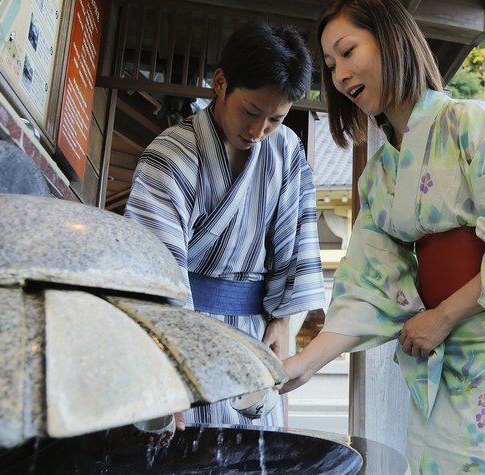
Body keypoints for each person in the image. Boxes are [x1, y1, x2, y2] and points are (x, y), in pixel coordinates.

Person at [280, 0, 485, 473]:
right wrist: (305, 363)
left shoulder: (471, 124)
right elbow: (367, 284)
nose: (339, 74)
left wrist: (442, 316)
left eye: (349, 51)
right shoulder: (378, 175)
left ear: (393, 41)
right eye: (330, 65)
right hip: (434, 360)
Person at [124, 23, 326, 429]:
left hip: (254, 341)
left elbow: (297, 244)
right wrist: (169, 371)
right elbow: (154, 272)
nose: (258, 132)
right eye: (251, 111)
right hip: (182, 337)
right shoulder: (169, 155)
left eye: (274, 119)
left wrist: (283, 322)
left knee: (258, 456)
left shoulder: (286, 150)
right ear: (220, 82)